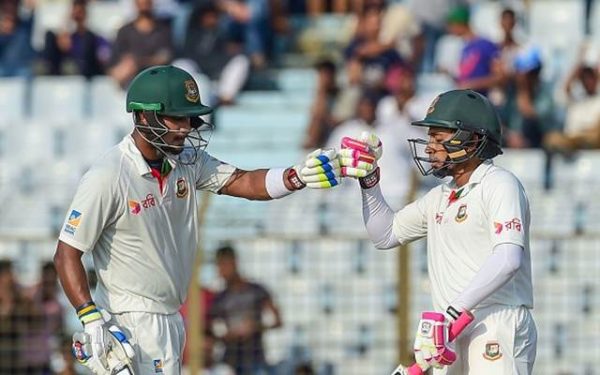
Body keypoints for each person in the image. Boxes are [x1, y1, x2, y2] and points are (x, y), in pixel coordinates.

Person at [53, 64, 341, 374]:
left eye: (188, 119)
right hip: (130, 320)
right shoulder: (108, 176)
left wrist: (296, 176)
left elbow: (243, 182)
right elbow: (66, 254)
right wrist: (90, 317)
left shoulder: (186, 161)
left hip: (170, 317)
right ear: (143, 116)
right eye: (176, 118)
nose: (186, 127)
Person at [339, 89, 536, 374]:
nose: (429, 147)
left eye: (439, 138)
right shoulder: (441, 196)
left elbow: (508, 260)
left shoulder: (500, 184)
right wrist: (369, 181)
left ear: (473, 140)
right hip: (449, 332)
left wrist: (451, 313)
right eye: (430, 137)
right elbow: (385, 235)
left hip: (496, 320)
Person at [208, 245, 283, 375]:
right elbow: (212, 330)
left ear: (234, 263)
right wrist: (228, 334)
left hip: (255, 360)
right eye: (218, 266)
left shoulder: (257, 291)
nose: (220, 271)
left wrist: (255, 327)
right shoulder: (220, 298)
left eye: (223, 265)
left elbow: (278, 321)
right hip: (230, 362)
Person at [108, 0, 174, 88]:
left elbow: (165, 57)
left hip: (157, 78)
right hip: (131, 80)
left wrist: (138, 61)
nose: (144, 3)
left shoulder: (163, 30)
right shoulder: (125, 31)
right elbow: (114, 62)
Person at [42, 0, 111, 78]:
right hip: (71, 72)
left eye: (80, 13)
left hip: (90, 72)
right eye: (75, 15)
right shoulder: (70, 38)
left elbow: (104, 56)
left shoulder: (95, 38)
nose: (78, 18)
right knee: (50, 36)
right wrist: (66, 26)